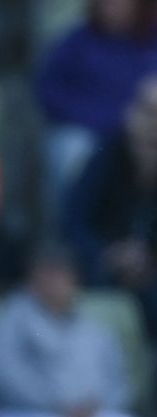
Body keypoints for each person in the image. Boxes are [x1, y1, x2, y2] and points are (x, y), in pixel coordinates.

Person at [0, 245, 156, 417]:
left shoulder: (93, 329)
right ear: (32, 277)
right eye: (46, 272)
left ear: (74, 279)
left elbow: (119, 381)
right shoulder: (11, 318)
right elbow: (5, 374)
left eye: (60, 273)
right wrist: (58, 405)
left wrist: (95, 407)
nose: (54, 280)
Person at [35, 0, 157, 189]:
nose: (111, 4)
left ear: (138, 1)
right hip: (87, 133)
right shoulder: (76, 41)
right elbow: (47, 89)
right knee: (72, 150)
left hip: (138, 136)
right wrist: (91, 117)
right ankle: (75, 223)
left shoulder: (151, 44)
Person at [67, 78, 157, 334]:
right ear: (131, 114)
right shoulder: (106, 156)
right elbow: (74, 222)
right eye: (148, 113)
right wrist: (107, 254)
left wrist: (149, 256)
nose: (153, 126)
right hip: (102, 266)